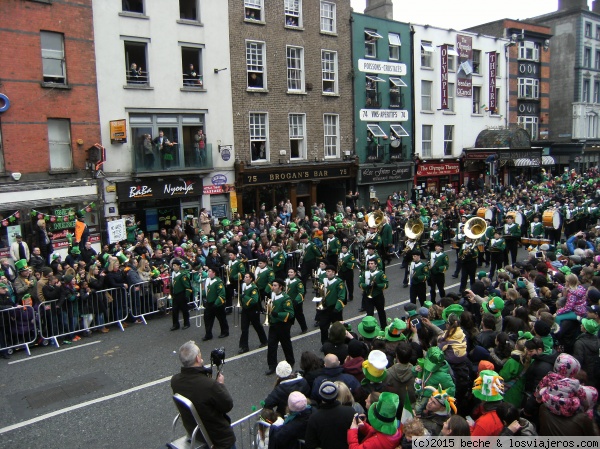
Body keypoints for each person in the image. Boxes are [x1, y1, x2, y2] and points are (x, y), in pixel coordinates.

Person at [170, 341, 236, 449]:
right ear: (197, 358)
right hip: (218, 438)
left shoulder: (175, 380)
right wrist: (220, 385)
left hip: (195, 432)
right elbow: (227, 405)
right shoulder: (209, 385)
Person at [304, 381, 355, 449]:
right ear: (336, 394)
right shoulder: (350, 412)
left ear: (321, 396)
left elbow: (310, 444)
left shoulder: (314, 418)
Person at [265, 278, 295, 375]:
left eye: (275, 285)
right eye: (272, 285)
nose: (272, 287)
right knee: (271, 345)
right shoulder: (272, 295)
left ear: (280, 287)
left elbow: (290, 313)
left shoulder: (286, 298)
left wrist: (277, 314)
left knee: (285, 344)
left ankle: (290, 362)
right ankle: (272, 365)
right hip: (273, 324)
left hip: (283, 325)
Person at [238, 272, 267, 354]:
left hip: (253, 310)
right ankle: (244, 346)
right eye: (245, 277)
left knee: (257, 326)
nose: (245, 278)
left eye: (247, 277)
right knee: (244, 328)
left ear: (251, 279)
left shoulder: (254, 288)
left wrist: (244, 297)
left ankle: (264, 340)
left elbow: (254, 300)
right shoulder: (244, 285)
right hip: (245, 310)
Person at [318, 265, 346, 344]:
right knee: (323, 326)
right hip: (325, 307)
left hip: (334, 308)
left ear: (333, 272)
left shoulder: (339, 282)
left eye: (329, 271)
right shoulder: (323, 280)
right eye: (326, 271)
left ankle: (340, 342)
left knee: (338, 327)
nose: (327, 273)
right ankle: (325, 343)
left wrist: (337, 307)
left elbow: (341, 296)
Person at [359, 258, 388, 329]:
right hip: (368, 296)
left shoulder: (380, 273)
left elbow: (386, 284)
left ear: (375, 265)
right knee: (369, 314)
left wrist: (377, 285)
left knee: (381, 312)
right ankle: (370, 328)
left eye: (372, 263)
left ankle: (384, 327)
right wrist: (367, 286)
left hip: (378, 295)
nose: (370, 265)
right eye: (369, 264)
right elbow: (360, 283)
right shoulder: (365, 273)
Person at [202, 267, 229, 341]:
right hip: (209, 303)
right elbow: (206, 291)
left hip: (217, 304)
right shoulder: (207, 280)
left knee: (221, 319)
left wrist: (216, 303)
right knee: (207, 319)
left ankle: (225, 332)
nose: (208, 272)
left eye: (210, 271)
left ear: (214, 273)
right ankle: (208, 334)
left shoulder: (218, 282)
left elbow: (222, 294)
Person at [170, 259, 191, 331]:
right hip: (175, 294)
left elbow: (187, 286)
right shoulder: (173, 273)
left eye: (175, 266)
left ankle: (186, 323)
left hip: (181, 294)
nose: (173, 267)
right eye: (173, 266)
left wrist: (186, 295)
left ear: (179, 266)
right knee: (174, 310)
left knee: (184, 309)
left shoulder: (182, 275)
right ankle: (175, 324)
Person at [286, 268, 307, 334]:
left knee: (299, 316)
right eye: (289, 272)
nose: (290, 273)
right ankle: (286, 331)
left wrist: (296, 300)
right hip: (289, 302)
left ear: (295, 273)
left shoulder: (298, 282)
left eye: (291, 272)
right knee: (289, 317)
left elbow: (301, 292)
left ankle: (304, 328)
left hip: (296, 302)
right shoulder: (286, 280)